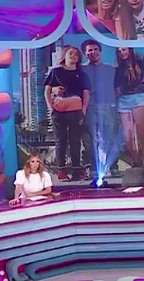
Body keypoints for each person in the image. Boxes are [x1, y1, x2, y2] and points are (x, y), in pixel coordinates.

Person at [44, 45, 89, 181]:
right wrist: (51, 108)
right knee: (60, 141)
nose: (74, 56)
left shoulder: (82, 74)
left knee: (75, 141)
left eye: (76, 54)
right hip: (59, 112)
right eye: (71, 54)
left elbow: (86, 93)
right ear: (64, 56)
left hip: (76, 111)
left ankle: (77, 171)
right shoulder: (55, 72)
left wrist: (83, 111)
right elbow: (47, 91)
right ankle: (61, 171)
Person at [81, 40, 120, 178]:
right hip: (89, 107)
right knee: (90, 140)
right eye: (89, 50)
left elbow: (117, 90)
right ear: (85, 53)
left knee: (110, 138)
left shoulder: (111, 70)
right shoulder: (81, 70)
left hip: (108, 107)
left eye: (95, 49)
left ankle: (113, 166)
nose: (93, 52)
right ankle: (92, 168)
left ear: (100, 51)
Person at [114, 48, 144, 168]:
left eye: (124, 50)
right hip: (123, 100)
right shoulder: (117, 67)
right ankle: (136, 162)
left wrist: (128, 89)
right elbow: (116, 87)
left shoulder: (141, 62)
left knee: (142, 132)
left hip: (138, 98)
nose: (122, 53)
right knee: (128, 136)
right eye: (119, 51)